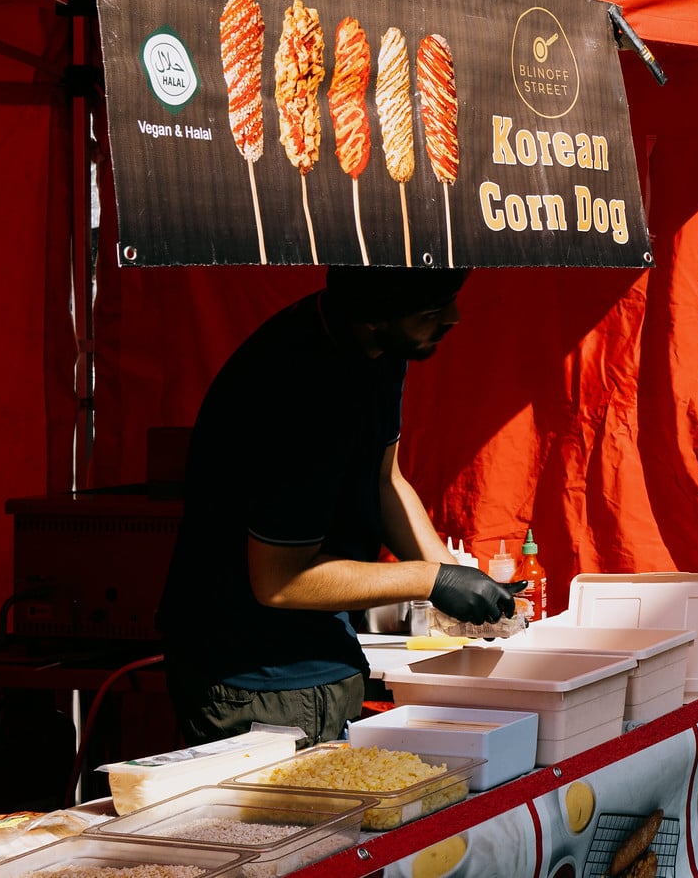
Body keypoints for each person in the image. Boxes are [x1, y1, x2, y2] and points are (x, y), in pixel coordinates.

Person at [158, 266, 525, 746]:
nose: (453, 317)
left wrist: (458, 578)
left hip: (323, 656)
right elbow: (280, 582)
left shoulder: (380, 349)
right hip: (256, 682)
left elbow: (384, 479)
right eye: (432, 311)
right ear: (374, 317)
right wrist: (432, 580)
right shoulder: (301, 386)